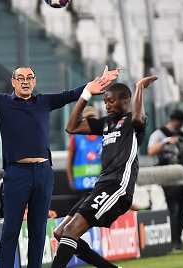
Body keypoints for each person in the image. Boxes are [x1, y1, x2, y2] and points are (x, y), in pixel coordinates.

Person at [0, 56, 121, 268]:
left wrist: (101, 81)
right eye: (20, 77)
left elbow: (72, 94)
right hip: (16, 173)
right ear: (13, 82)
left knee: (38, 231)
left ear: (34, 81)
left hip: (43, 172)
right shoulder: (2, 103)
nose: (25, 81)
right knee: (11, 229)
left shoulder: (44, 102)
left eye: (29, 77)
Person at [51, 76, 157, 268]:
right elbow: (71, 127)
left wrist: (140, 87)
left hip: (117, 186)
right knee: (60, 232)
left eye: (111, 100)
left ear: (125, 99)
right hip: (100, 185)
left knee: (71, 231)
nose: (107, 105)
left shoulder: (134, 123)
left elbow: (136, 116)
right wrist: (86, 94)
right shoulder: (106, 123)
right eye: (105, 101)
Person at [147, 108, 183, 250]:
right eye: (180, 122)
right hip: (168, 175)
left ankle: (178, 240)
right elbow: (151, 151)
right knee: (173, 207)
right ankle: (173, 241)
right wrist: (166, 141)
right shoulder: (159, 133)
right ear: (176, 121)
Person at [66, 106, 103, 192]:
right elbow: (69, 161)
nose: (90, 121)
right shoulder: (76, 137)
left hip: (100, 184)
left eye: (92, 117)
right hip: (81, 185)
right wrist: (71, 180)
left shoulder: (103, 136)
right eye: (87, 118)